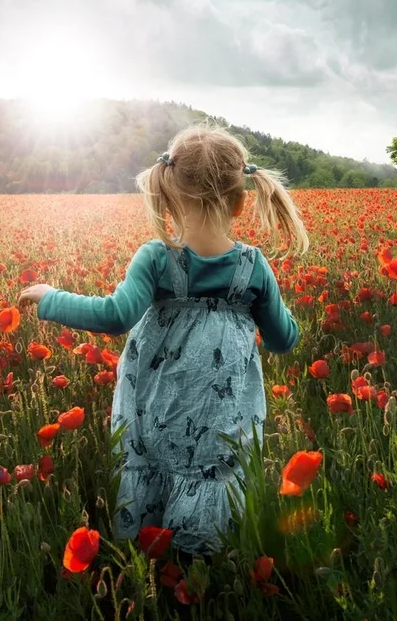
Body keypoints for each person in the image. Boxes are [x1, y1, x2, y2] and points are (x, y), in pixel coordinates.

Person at [17, 121, 309, 559]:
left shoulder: (156, 257)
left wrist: (50, 297)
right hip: (219, 420)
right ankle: (201, 574)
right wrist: (283, 320)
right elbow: (283, 340)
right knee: (211, 476)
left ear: (168, 193)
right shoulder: (253, 266)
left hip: (157, 412)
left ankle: (149, 567)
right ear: (242, 202)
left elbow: (115, 316)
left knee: (151, 470)